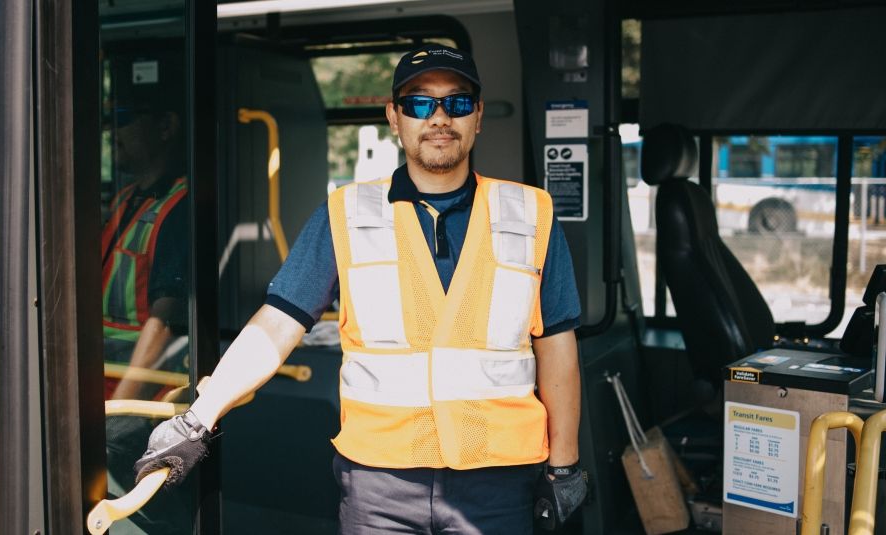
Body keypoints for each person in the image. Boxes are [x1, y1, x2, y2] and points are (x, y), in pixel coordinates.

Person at [135, 44, 586, 533]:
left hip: (499, 479)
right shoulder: (344, 214)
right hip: (379, 486)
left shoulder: (531, 214)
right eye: (418, 103)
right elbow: (276, 326)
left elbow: (556, 345)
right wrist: (198, 418)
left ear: (477, 117)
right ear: (394, 118)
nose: (438, 117)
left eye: (456, 103)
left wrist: (565, 466)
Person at [101, 56, 190, 401]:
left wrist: (121, 407)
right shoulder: (126, 199)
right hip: (104, 387)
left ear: (166, 126)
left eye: (121, 118)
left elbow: (163, 323)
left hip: (141, 401)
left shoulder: (179, 208)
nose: (110, 131)